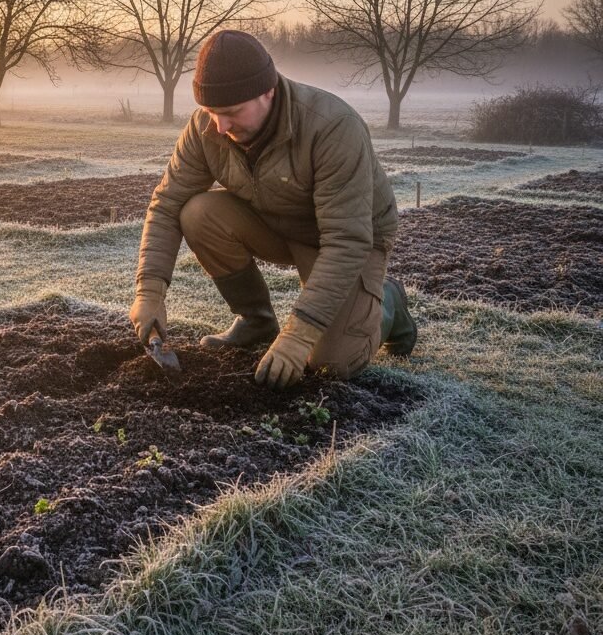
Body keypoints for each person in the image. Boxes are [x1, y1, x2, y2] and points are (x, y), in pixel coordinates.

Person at [129, 29, 417, 390]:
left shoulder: (332, 128)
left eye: (232, 112)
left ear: (268, 90)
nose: (220, 126)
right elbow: (167, 202)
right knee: (197, 211)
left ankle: (388, 300)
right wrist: (150, 291)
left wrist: (298, 336)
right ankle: (257, 320)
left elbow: (346, 240)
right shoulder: (207, 127)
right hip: (275, 221)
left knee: (334, 364)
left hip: (346, 238)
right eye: (211, 112)